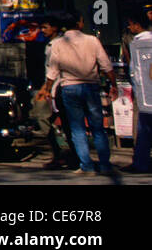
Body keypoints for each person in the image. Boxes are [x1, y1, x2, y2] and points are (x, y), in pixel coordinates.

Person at [36, 14, 114, 175]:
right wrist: (114, 84)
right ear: (79, 24)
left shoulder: (58, 44)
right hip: (91, 86)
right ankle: (105, 165)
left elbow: (53, 69)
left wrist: (48, 89)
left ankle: (86, 165)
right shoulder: (92, 40)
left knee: (77, 128)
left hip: (69, 87)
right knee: (97, 127)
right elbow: (106, 65)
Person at [127, 11, 152, 174]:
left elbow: (134, 72)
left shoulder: (136, 44)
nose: (129, 27)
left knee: (144, 131)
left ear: (137, 25)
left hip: (144, 96)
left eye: (130, 24)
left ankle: (141, 163)